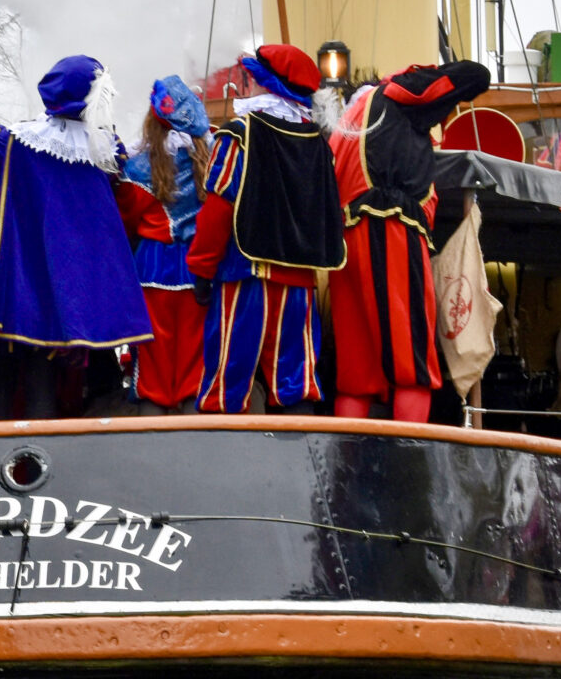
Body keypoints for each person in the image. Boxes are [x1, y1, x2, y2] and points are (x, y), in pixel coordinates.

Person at [0, 55, 162, 418]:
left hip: (13, 281)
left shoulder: (8, 142)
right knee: (43, 384)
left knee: (0, 383)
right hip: (64, 288)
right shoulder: (107, 149)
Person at [325, 59, 491, 423]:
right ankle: (410, 461)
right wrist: (413, 76)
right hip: (390, 228)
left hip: (345, 242)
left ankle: (346, 462)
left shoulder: (344, 128)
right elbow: (475, 75)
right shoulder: (394, 97)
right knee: (412, 357)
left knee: (357, 371)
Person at [187, 46, 345, 414]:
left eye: (251, 79)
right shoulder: (318, 144)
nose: (245, 86)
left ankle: (226, 468)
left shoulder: (239, 134)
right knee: (297, 381)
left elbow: (218, 208)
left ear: (265, 85)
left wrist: (201, 268)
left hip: (246, 274)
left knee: (228, 378)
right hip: (300, 282)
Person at [122, 76, 213, 414]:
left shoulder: (135, 166)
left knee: (153, 373)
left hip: (151, 268)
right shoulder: (210, 159)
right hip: (197, 269)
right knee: (194, 366)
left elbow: (127, 219)